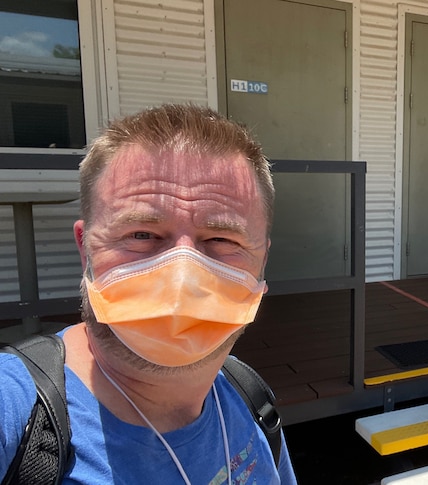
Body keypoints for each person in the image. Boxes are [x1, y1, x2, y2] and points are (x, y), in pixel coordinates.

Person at [0, 104, 298, 484]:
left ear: (262, 260)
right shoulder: (15, 411)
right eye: (142, 234)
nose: (182, 277)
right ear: (85, 248)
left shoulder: (250, 397)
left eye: (221, 239)